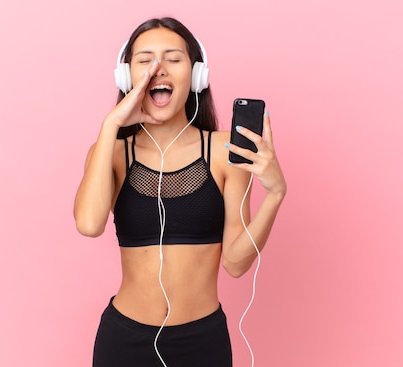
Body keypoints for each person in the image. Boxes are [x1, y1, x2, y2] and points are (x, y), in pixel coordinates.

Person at [74, 17, 286, 367]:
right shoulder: (110, 151)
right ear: (125, 77)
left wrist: (276, 194)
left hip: (201, 342)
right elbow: (89, 224)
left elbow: (235, 264)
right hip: (123, 341)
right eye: (145, 60)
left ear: (197, 75)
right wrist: (110, 124)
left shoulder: (225, 153)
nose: (159, 70)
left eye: (173, 59)